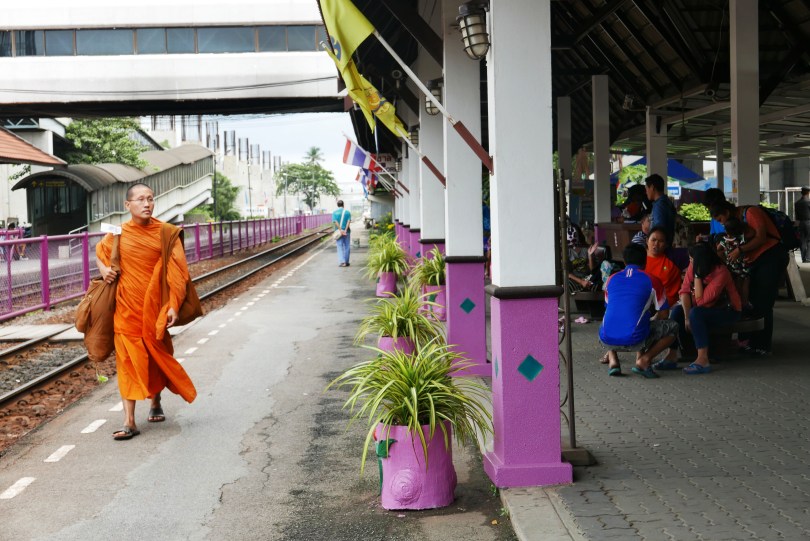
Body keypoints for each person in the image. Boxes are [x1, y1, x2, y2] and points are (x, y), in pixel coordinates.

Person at [96, 183, 197, 440]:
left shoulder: (166, 233)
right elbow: (100, 253)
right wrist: (103, 270)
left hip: (155, 309)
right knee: (127, 362)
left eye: (150, 199)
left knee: (155, 356)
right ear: (127, 205)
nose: (147, 204)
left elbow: (178, 272)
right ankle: (129, 421)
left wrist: (173, 305)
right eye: (140, 199)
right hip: (125, 308)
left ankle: (156, 400)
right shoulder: (118, 233)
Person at [710, 200, 788, 356]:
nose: (721, 223)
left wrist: (740, 250)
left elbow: (761, 237)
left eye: (720, 219)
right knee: (751, 302)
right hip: (754, 263)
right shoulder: (736, 223)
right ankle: (749, 342)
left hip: (769, 259)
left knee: (763, 302)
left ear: (727, 212)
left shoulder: (751, 212)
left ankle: (762, 346)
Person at [656, 242, 742, 374]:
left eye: (692, 259)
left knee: (696, 313)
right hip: (703, 308)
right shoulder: (694, 265)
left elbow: (701, 301)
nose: (690, 262)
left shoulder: (721, 272)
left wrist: (697, 275)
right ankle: (672, 354)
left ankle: (703, 359)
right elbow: (684, 292)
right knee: (677, 311)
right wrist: (686, 318)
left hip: (728, 311)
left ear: (701, 261)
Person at [598, 243, 679, 378]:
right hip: (635, 340)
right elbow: (664, 315)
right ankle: (644, 360)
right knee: (672, 327)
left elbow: (610, 308)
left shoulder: (611, 279)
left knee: (610, 320)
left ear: (624, 261)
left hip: (606, 339)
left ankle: (613, 361)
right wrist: (651, 318)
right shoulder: (652, 280)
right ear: (645, 262)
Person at [645, 226, 681, 310]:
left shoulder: (672, 261)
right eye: (653, 240)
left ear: (666, 245)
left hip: (669, 306)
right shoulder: (639, 259)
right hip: (645, 304)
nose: (656, 244)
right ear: (647, 241)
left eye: (661, 241)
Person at [718, 217, 751, 307]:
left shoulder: (724, 240)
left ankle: (735, 303)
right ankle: (745, 302)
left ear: (726, 230)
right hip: (743, 266)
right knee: (745, 282)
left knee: (734, 285)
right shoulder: (741, 239)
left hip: (731, 266)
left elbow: (718, 249)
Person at [645, 174, 676, 246]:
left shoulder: (659, 205)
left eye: (646, 189)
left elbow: (659, 231)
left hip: (661, 248)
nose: (646, 192)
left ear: (652, 187)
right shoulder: (666, 202)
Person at [332, 200, 352, 267]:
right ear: (343, 205)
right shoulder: (347, 212)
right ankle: (346, 262)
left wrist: (341, 230)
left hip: (339, 233)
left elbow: (335, 222)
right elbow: (348, 222)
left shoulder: (334, 213)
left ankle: (342, 262)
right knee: (347, 246)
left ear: (337, 205)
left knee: (340, 247)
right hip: (347, 232)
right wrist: (345, 230)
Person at [795, 186, 810, 263]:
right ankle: (808, 257)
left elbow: (797, 216)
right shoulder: (808, 202)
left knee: (802, 241)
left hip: (800, 223)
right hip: (809, 223)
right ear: (808, 192)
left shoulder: (797, 203)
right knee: (809, 241)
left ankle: (803, 258)